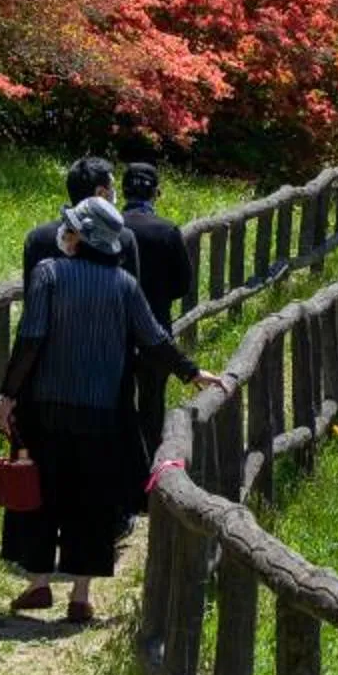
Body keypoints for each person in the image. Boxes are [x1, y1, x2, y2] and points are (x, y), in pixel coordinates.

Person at [0, 196, 222, 622]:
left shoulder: (48, 274)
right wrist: (191, 372)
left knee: (40, 492)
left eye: (71, 228)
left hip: (45, 405)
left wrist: (8, 396)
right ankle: (81, 594)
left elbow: (31, 340)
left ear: (80, 236)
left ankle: (40, 583)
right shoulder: (124, 285)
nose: (66, 233)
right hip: (101, 412)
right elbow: (153, 339)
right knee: (91, 499)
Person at [118, 160, 196, 466]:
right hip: (157, 331)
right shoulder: (166, 231)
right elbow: (183, 284)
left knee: (119, 403)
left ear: (122, 191)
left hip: (116, 331)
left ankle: (120, 473)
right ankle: (148, 477)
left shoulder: (110, 228)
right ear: (157, 193)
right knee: (152, 406)